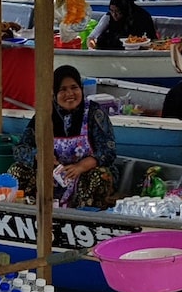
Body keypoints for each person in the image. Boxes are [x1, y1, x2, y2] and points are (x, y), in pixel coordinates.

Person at [7, 65, 116, 210]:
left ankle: (84, 217)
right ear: (54, 93)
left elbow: (108, 151)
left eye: (74, 87)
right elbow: (20, 149)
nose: (70, 93)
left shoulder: (94, 113)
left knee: (101, 176)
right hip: (51, 176)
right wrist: (40, 158)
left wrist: (80, 167)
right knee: (16, 171)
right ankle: (30, 211)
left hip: (84, 175)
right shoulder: (44, 115)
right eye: (63, 89)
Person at [89, 0, 158, 50]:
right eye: (112, 11)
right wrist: (91, 45)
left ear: (125, 10)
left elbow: (150, 41)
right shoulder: (108, 17)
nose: (114, 15)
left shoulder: (142, 17)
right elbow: (92, 36)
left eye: (118, 12)